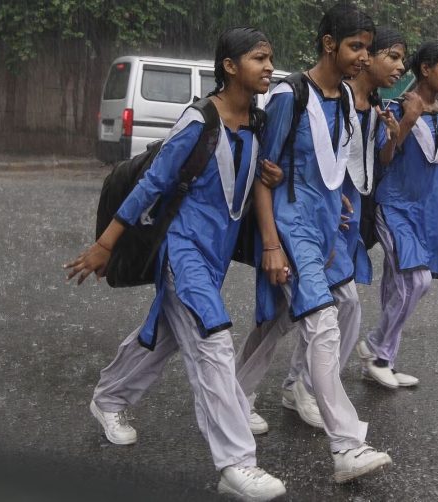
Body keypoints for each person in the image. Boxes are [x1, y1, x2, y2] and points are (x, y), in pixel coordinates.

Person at [64, 27, 287, 501]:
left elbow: (250, 185)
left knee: (166, 336)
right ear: (229, 66)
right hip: (182, 250)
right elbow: (150, 186)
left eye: (271, 59)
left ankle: (108, 400)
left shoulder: (258, 122)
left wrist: (274, 179)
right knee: (212, 342)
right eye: (259, 58)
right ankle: (236, 463)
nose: (269, 67)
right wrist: (105, 245)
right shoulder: (198, 122)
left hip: (215, 254)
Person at [240, 3, 392, 484]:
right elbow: (264, 175)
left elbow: (332, 166)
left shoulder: (345, 96)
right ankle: (346, 445)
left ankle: (234, 394)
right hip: (289, 227)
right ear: (329, 43)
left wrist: (339, 205)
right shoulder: (289, 94)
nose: (364, 57)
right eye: (356, 47)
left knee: (291, 316)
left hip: (326, 225)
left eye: (368, 48)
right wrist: (270, 243)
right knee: (323, 322)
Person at [356, 40, 438, 389]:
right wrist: (407, 121)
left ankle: (383, 362)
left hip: (425, 214)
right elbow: (384, 156)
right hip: (394, 207)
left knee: (400, 284)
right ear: (425, 69)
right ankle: (375, 346)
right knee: (415, 281)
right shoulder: (395, 107)